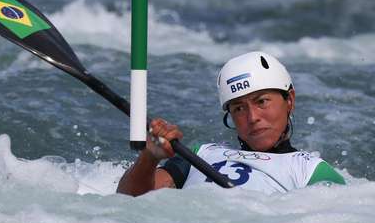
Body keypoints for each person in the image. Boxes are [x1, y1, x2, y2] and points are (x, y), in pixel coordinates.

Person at [117, 51, 345, 195]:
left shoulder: (310, 170)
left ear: (290, 100)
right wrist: (149, 157)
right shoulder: (200, 155)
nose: (252, 117)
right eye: (238, 108)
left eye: (262, 101)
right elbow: (130, 201)